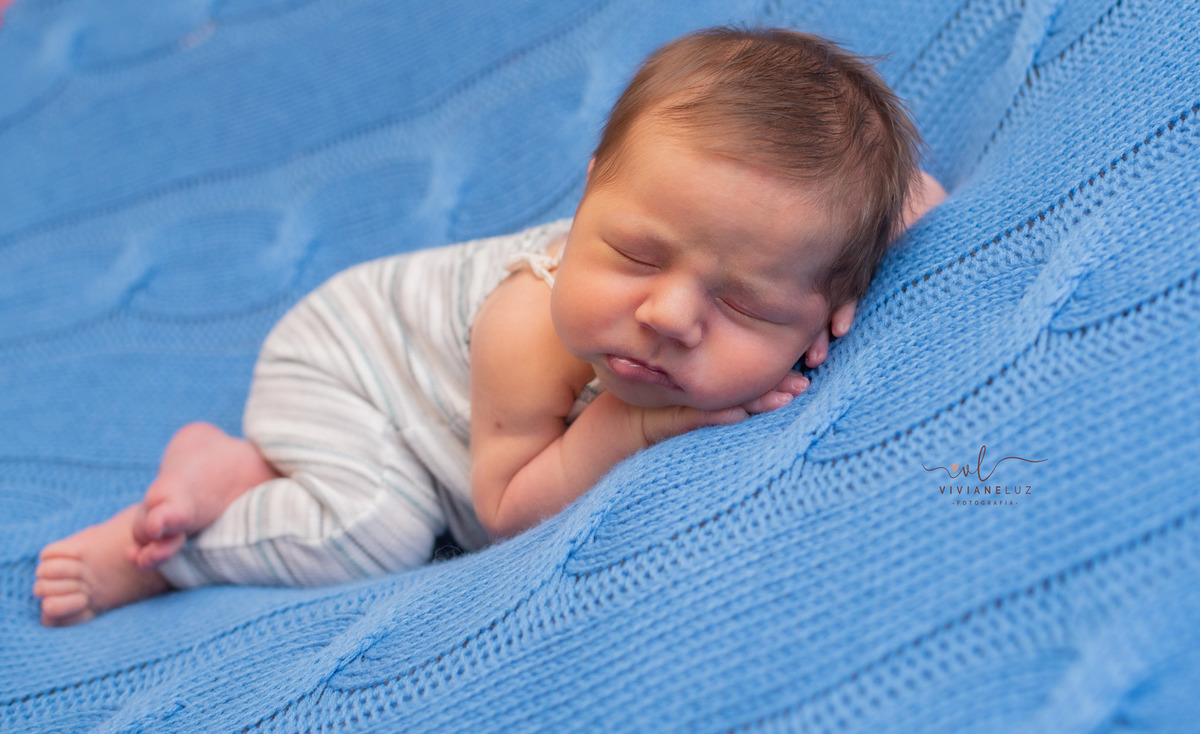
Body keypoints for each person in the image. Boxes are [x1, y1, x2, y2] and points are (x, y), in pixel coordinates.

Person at [34, 26, 946, 625]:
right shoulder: (527, 327)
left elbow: (909, 200)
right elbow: (503, 510)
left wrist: (855, 254)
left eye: (743, 303)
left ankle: (245, 463)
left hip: (419, 394)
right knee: (380, 532)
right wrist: (624, 426)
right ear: (591, 188)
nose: (667, 315)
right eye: (633, 254)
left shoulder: (798, 252)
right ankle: (177, 547)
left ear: (829, 304)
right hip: (352, 369)